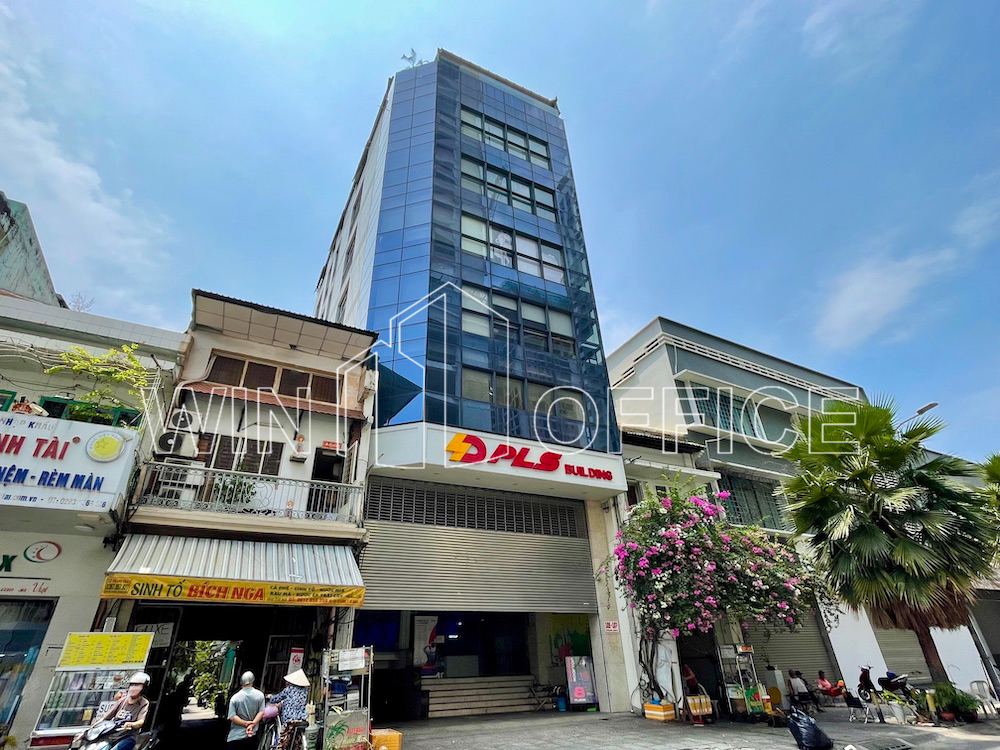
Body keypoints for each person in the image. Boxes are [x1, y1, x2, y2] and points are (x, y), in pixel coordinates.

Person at [85, 672, 151, 750]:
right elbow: (105, 718)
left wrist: (131, 724)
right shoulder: (122, 700)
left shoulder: (144, 703)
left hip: (127, 736)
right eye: (132, 685)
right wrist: (90, 729)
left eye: (137, 685)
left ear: (144, 688)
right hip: (112, 735)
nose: (133, 688)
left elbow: (141, 721)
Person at [267, 669, 310, 748]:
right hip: (301, 718)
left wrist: (270, 697)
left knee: (283, 738)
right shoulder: (305, 691)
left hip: (289, 718)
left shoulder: (289, 689)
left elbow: (276, 698)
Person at [227, 671, 265, 749]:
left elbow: (232, 717)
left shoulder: (235, 698)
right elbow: (261, 712)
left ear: (241, 682)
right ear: (253, 681)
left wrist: (245, 723)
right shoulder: (260, 695)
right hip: (252, 736)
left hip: (235, 736)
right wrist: (252, 724)